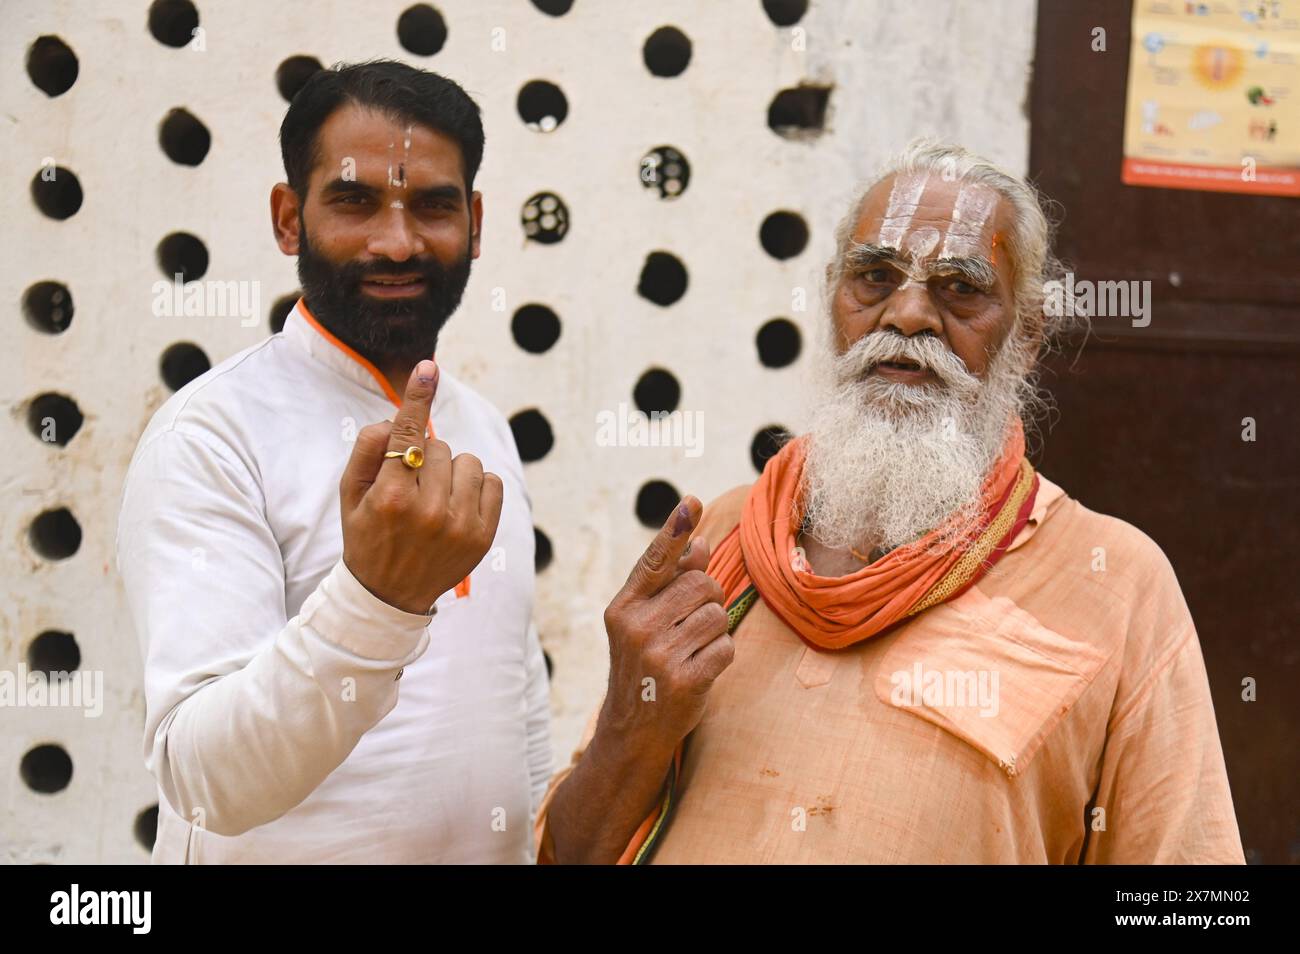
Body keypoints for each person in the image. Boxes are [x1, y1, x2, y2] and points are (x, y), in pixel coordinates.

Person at [537, 140, 1244, 864]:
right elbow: (571, 852)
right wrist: (634, 721)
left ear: (1026, 335)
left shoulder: (1116, 582)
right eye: (874, 277)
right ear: (833, 300)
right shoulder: (723, 541)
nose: (907, 315)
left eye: (960, 288)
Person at [116, 60, 551, 863]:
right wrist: (379, 599)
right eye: (355, 201)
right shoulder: (211, 436)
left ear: (477, 225)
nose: (397, 241)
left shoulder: (484, 427)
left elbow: (514, 708)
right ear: (289, 219)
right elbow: (206, 783)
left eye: (432, 205)